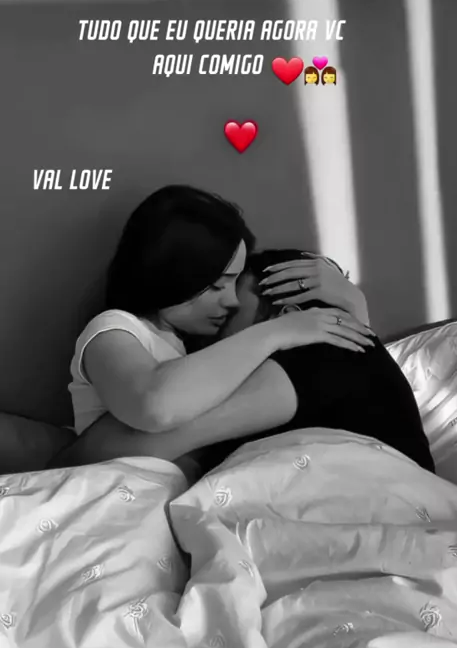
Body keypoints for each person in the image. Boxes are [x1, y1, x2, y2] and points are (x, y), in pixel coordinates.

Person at [54, 246, 434, 476]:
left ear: (290, 315)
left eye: (234, 310)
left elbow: (110, 453)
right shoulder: (346, 362)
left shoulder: (321, 354)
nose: (221, 318)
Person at [67, 186, 374, 446]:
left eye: (235, 282)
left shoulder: (193, 349)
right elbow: (153, 406)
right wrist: (280, 330)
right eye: (216, 285)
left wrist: (353, 303)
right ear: (166, 274)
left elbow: (345, 394)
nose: (232, 301)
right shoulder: (113, 329)